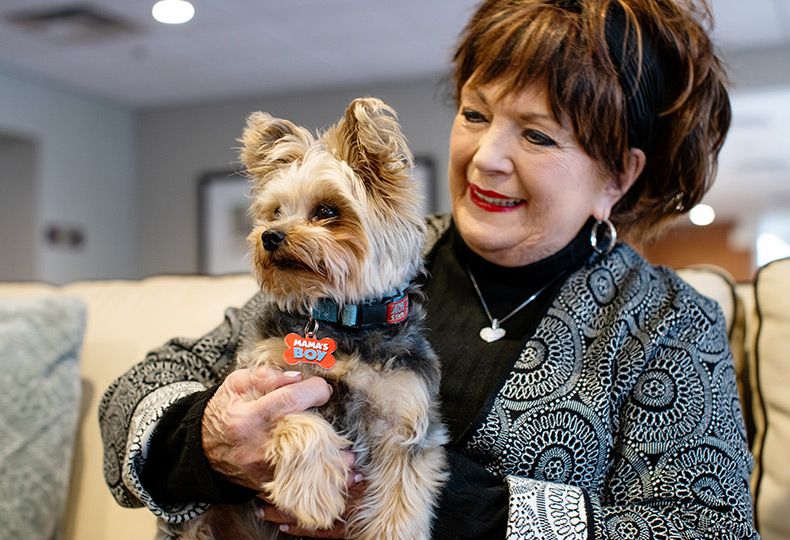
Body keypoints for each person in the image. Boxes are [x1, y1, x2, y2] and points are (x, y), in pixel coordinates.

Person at [99, 0, 758, 538]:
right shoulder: (369, 262)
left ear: (618, 175)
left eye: (536, 134)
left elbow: (708, 528)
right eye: (475, 114)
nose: (486, 157)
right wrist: (211, 441)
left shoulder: (668, 323)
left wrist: (443, 507)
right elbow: (135, 394)